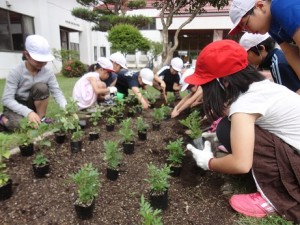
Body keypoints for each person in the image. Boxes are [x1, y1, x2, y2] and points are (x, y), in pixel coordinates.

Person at [185, 40, 300, 222]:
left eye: (206, 85)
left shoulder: (245, 105)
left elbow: (241, 164)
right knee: (226, 127)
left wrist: (209, 162)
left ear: (224, 82)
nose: (204, 91)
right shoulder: (262, 88)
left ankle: (276, 195)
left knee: (228, 128)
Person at [0, 34, 67, 131]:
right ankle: (2, 118)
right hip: (15, 106)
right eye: (39, 60)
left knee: (41, 87)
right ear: (26, 55)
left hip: (32, 103)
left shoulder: (48, 73)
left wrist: (66, 109)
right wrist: (28, 112)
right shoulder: (16, 71)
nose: (43, 63)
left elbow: (57, 93)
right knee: (23, 126)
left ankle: (41, 118)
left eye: (45, 60)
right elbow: (7, 99)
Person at [228, 0, 300, 79]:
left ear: (260, 6)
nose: (248, 31)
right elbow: (290, 52)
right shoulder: (271, 26)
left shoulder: (281, 7)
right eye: (243, 29)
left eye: (245, 24)